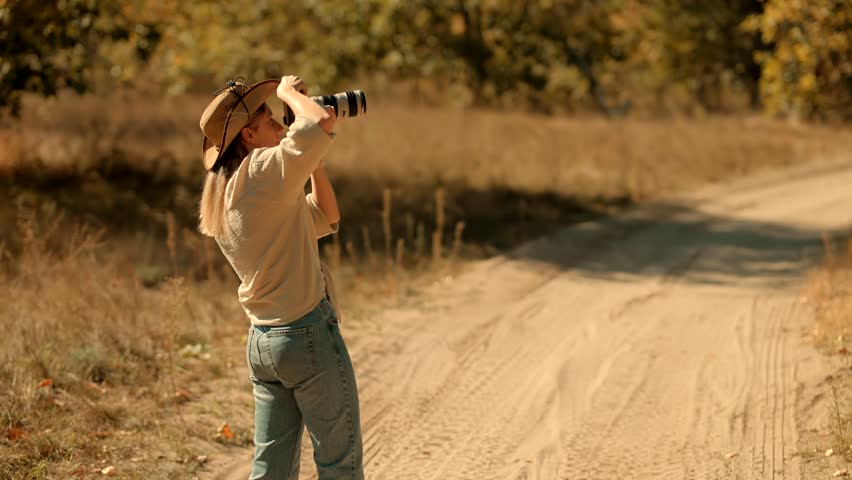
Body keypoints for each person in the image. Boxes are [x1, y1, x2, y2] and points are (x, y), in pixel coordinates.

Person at [197, 76, 364, 480]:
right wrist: (290, 93)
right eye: (271, 121)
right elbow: (321, 119)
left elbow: (328, 216)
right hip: (306, 336)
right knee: (340, 465)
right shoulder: (260, 171)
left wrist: (313, 162)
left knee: (271, 469)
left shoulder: (235, 190)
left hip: (264, 345)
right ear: (249, 135)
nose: (281, 126)